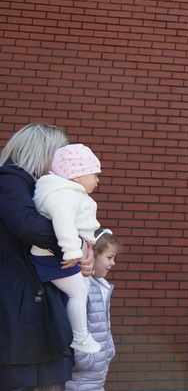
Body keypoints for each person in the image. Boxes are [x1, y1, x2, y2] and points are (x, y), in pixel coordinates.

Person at [0, 123, 94, 391]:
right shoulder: (11, 179)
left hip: (37, 310)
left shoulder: (41, 186)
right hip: (21, 313)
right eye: (59, 153)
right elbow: (27, 224)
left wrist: (84, 250)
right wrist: (75, 245)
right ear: (43, 152)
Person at [32, 144, 103, 355]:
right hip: (53, 257)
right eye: (95, 175)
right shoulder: (64, 196)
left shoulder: (70, 193)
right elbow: (64, 223)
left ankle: (82, 333)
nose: (98, 180)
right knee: (78, 292)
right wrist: (73, 251)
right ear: (77, 176)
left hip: (60, 256)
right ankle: (80, 336)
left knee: (82, 290)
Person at [66, 228, 123, 391]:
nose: (113, 263)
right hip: (80, 378)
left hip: (95, 376)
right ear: (92, 254)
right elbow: (74, 324)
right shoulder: (82, 287)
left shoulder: (100, 286)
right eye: (109, 257)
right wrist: (84, 360)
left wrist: (109, 350)